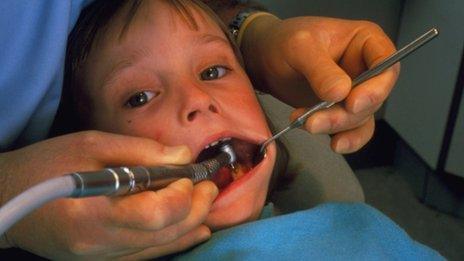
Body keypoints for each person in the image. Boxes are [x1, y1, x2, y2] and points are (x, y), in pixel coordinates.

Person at [0, 0, 399, 258]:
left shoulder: (361, 233)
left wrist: (255, 33)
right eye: (139, 97)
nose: (195, 99)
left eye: (213, 70)